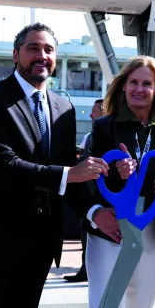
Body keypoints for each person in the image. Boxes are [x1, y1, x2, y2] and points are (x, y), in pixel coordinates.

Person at [0, 23, 114, 308]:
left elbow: (68, 174)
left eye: (49, 49)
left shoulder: (62, 107)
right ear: (16, 54)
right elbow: (3, 166)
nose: (42, 55)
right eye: (33, 48)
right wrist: (70, 173)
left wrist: (95, 212)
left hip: (40, 244)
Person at [83, 56, 155, 308]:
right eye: (133, 82)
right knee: (105, 301)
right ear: (123, 86)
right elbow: (88, 176)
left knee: (143, 302)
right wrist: (116, 172)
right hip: (112, 226)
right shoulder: (104, 127)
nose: (139, 89)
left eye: (147, 83)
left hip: (152, 225)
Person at [65, 99, 105, 284]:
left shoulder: (105, 135)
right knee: (85, 232)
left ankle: (90, 270)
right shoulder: (89, 136)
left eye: (94, 111)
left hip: (100, 194)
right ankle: (85, 269)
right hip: (86, 192)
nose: (90, 115)